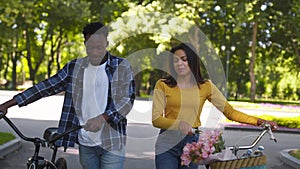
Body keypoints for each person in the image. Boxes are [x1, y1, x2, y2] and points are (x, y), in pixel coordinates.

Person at [0, 22, 135, 169]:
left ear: (107, 44)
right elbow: (44, 87)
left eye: (99, 47)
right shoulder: (74, 68)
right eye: (90, 47)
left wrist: (103, 118)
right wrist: (7, 105)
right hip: (86, 142)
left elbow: (127, 100)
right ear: (85, 43)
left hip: (112, 141)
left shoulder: (121, 66)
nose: (95, 52)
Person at [151, 43, 278, 169]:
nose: (179, 64)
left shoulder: (205, 86)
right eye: (175, 61)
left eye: (184, 59)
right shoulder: (163, 85)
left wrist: (260, 122)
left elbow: (230, 112)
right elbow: (156, 119)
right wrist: (179, 124)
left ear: (193, 61)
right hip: (167, 142)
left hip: (192, 144)